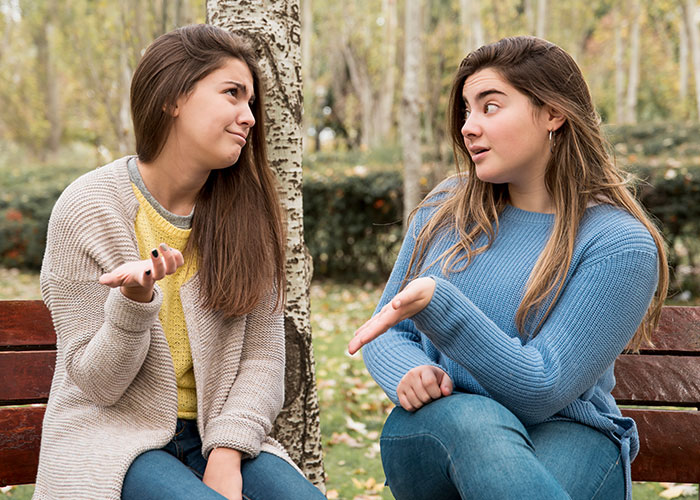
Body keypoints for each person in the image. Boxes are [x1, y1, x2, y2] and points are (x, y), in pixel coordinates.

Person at [348, 36, 667, 500]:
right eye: (466, 110)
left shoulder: (617, 243)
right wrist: (408, 371)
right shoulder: (444, 209)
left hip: (568, 433)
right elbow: (388, 327)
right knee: (474, 417)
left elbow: (541, 389)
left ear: (553, 113)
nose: (468, 127)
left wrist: (442, 306)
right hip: (439, 427)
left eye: (490, 106)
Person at [35, 24, 325, 500]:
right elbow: (97, 385)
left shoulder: (248, 214)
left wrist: (228, 451)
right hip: (113, 439)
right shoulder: (88, 208)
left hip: (219, 435)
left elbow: (263, 359)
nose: (248, 116)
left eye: (250, 102)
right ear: (173, 97)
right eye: (232, 94)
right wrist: (133, 302)